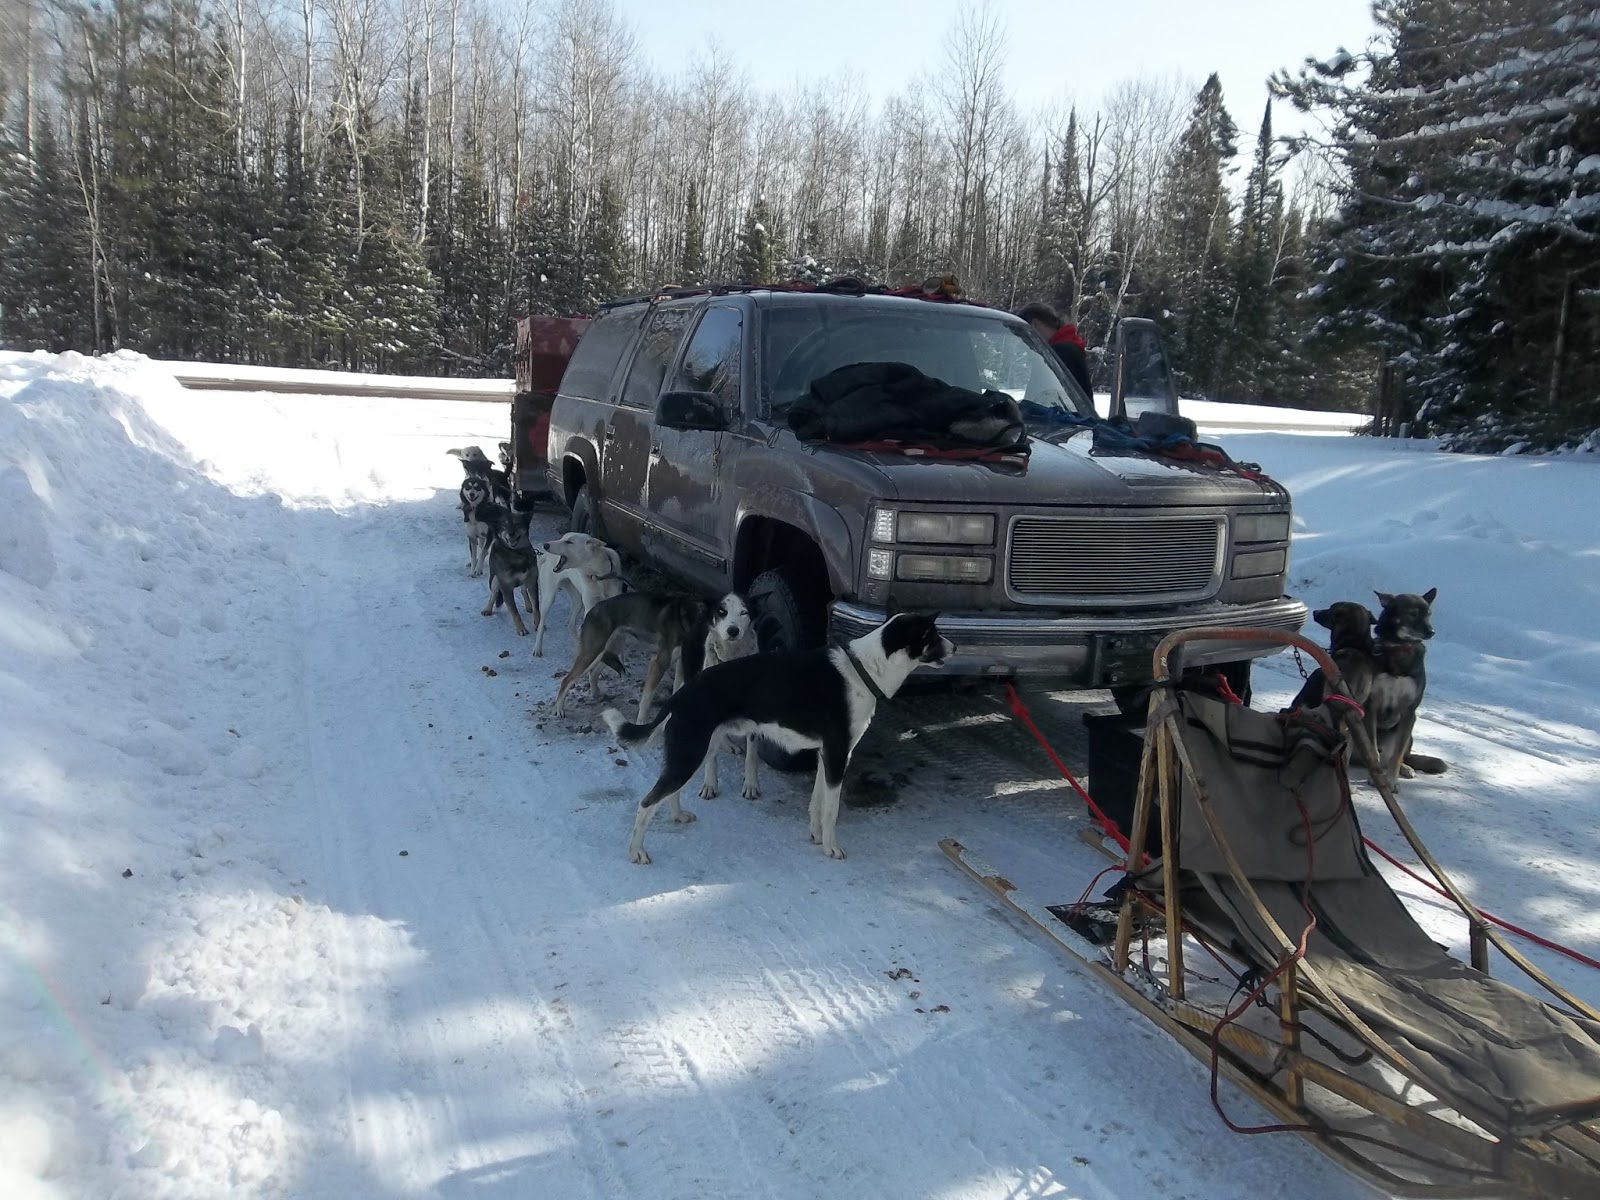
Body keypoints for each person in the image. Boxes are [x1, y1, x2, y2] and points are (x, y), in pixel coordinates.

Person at [1018, 302, 1093, 397]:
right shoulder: (1068, 347)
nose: (1026, 343)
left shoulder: (1058, 353)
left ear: (1034, 325)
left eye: (1023, 336)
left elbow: (1037, 400)